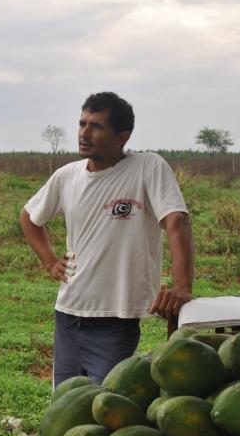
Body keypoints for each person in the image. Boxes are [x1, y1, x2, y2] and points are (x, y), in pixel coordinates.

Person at [20, 92, 193, 387]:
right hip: (68, 311)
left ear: (122, 136)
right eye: (82, 123)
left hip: (115, 317)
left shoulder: (146, 167)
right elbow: (29, 217)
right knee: (65, 404)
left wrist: (182, 286)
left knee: (104, 405)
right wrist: (50, 262)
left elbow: (176, 221)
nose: (85, 133)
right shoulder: (67, 176)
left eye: (97, 126)